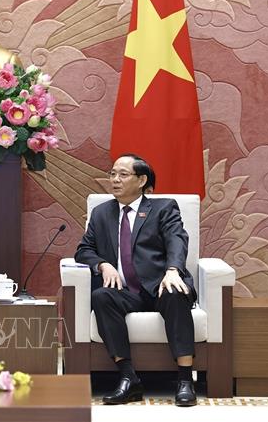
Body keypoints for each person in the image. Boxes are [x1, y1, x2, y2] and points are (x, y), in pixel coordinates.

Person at [75, 154, 197, 407]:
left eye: (123, 174)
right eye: (112, 174)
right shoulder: (101, 213)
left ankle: (185, 380)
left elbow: (177, 240)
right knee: (101, 296)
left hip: (160, 285)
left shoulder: (163, 208)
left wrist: (173, 270)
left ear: (141, 180)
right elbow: (84, 250)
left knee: (175, 293)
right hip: (125, 291)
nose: (115, 179)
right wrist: (103, 264)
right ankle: (128, 378)